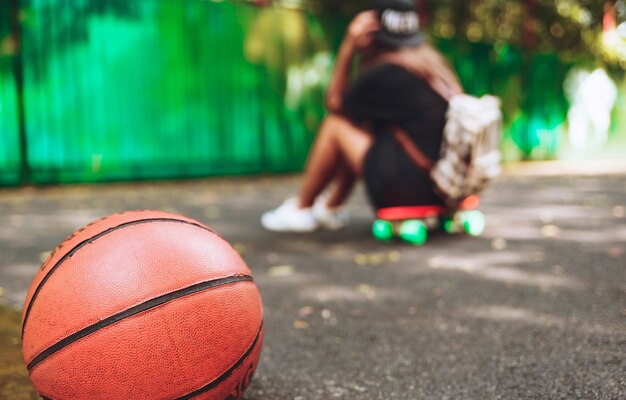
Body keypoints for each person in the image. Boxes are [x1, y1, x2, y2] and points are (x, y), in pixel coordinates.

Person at [261, 0, 463, 232]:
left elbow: (334, 102)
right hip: (444, 189)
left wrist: (348, 46)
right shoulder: (433, 67)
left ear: (373, 27)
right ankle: (330, 207)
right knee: (362, 125)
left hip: (407, 190)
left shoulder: (387, 72)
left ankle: (301, 208)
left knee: (336, 125)